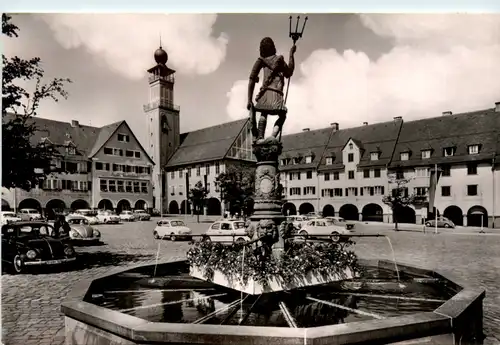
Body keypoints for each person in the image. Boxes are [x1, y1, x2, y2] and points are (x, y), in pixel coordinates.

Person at [247, 37, 296, 143]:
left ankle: (260, 137)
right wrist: (291, 54)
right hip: (277, 94)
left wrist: (249, 99)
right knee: (282, 115)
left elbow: (251, 78)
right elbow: (289, 72)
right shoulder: (280, 60)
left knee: (263, 113)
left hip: (266, 92)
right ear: (273, 47)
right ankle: (273, 137)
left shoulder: (261, 60)